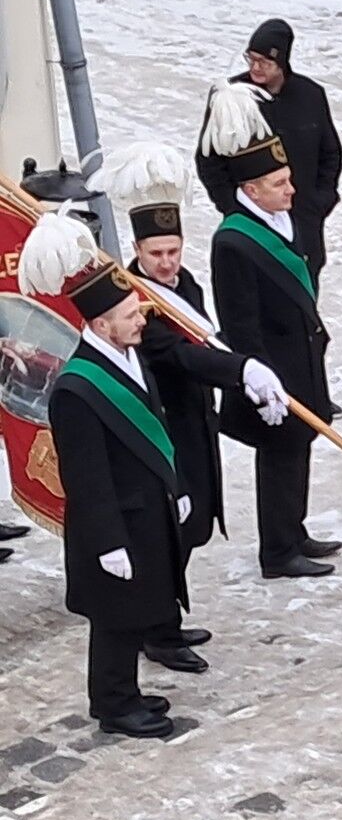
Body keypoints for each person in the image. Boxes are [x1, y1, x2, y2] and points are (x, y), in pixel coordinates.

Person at [94, 143, 290, 671]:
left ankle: (168, 617)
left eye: (173, 251)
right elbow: (178, 355)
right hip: (160, 430)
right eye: (156, 254)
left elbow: (206, 339)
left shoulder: (186, 285)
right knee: (166, 533)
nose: (166, 263)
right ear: (138, 249)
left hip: (195, 424)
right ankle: (156, 631)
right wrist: (241, 370)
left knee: (194, 524)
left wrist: (243, 371)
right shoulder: (135, 300)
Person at [39, 239, 189, 740]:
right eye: (131, 315)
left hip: (145, 511)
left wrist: (177, 484)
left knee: (138, 607)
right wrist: (108, 542)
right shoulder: (77, 389)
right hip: (115, 525)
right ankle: (113, 704)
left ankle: (126, 690)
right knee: (115, 619)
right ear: (101, 325)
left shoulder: (126, 357)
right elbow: (86, 476)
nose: (141, 321)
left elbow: (155, 426)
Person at [199, 82, 336, 580]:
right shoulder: (234, 241)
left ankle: (294, 530)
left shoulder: (280, 220)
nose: (291, 190)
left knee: (300, 446)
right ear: (251, 190)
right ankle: (277, 552)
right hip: (272, 367)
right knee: (279, 454)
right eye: (280, 184)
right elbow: (240, 322)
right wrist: (259, 380)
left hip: (301, 356)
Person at [195, 20, 342, 289]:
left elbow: (331, 154)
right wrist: (233, 208)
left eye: (264, 62)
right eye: (251, 59)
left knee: (303, 301)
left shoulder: (311, 95)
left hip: (303, 222)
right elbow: (209, 161)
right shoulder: (231, 97)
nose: (255, 67)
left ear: (283, 62)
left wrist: (320, 201)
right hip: (252, 223)